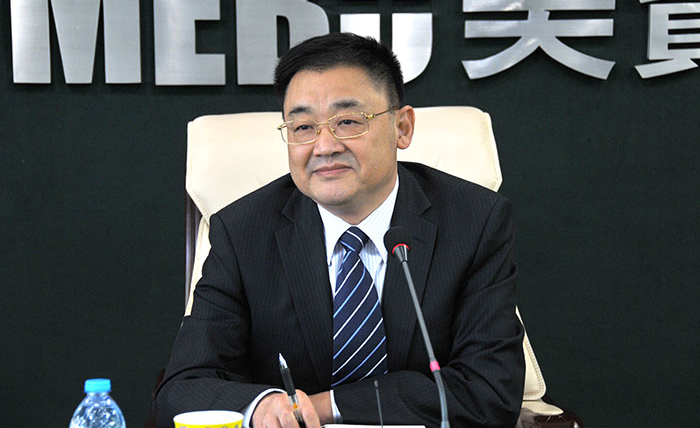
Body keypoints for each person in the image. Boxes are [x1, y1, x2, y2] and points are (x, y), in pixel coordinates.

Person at [154, 33, 524, 428]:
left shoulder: (473, 222)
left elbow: (490, 391)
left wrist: (324, 405)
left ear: (402, 127)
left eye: (347, 122)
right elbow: (182, 389)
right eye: (302, 127)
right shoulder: (243, 232)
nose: (324, 146)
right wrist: (261, 406)